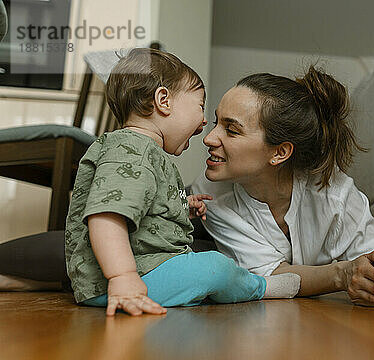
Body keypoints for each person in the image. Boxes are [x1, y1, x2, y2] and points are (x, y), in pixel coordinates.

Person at [64, 48, 300, 316]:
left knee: (201, 268)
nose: (203, 123)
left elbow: (138, 205)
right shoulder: (130, 151)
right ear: (163, 100)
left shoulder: (138, 152)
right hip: (129, 280)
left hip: (138, 273)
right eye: (200, 106)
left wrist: (179, 206)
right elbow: (106, 216)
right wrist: (123, 278)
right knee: (215, 266)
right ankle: (260, 287)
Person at [192, 67, 374, 308]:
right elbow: (268, 277)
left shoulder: (333, 190)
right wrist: (342, 274)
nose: (209, 138)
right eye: (217, 122)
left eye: (231, 130)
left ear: (280, 152)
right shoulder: (208, 195)